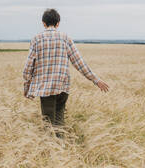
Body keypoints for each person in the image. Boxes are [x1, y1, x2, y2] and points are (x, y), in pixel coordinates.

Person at [22, 8, 109, 137]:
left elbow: (28, 67)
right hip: (63, 88)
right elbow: (79, 63)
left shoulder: (36, 40)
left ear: (43, 23)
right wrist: (95, 80)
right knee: (59, 122)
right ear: (58, 23)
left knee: (48, 124)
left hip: (46, 89)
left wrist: (27, 85)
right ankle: (62, 150)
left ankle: (53, 152)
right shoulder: (65, 38)